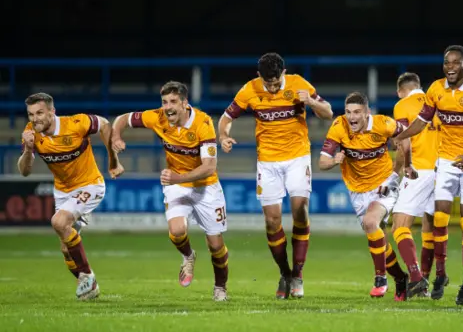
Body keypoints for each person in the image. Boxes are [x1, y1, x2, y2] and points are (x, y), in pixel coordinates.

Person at [218, 52, 333, 299]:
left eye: (275, 81)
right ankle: (285, 273)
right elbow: (227, 117)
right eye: (267, 82)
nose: (272, 87)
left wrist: (311, 102)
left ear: (284, 72)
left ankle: (299, 274)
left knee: (300, 208)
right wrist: (223, 136)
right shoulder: (249, 89)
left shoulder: (299, 84)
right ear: (259, 76)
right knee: (272, 221)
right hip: (267, 162)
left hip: (297, 157)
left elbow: (328, 113)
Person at [111, 81, 230, 302]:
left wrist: (178, 177)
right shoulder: (157, 117)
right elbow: (122, 119)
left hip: (206, 187)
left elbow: (209, 167)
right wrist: (117, 136)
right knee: (176, 231)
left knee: (216, 245)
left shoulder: (203, 123)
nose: (167, 107)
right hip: (176, 185)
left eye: (173, 102)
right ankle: (188, 256)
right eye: (164, 102)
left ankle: (220, 287)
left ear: (185, 103)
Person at [395, 45, 463, 305]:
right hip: (447, 160)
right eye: (446, 62)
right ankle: (440, 275)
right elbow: (422, 121)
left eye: (455, 63)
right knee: (439, 218)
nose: (449, 67)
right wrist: (401, 135)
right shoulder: (436, 89)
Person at [17, 92, 124, 300]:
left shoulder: (75, 123)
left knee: (58, 221)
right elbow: (24, 171)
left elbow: (103, 124)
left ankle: (87, 276)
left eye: (39, 113)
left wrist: (113, 160)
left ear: (52, 112)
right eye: (30, 114)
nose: (34, 118)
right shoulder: (30, 133)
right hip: (63, 191)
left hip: (90, 184)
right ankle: (88, 285)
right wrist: (28, 150)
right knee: (66, 250)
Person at [319, 91, 410, 301]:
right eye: (349, 112)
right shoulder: (338, 126)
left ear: (367, 113)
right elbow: (322, 162)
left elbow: (406, 138)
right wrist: (335, 160)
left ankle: (380, 279)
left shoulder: (383, 124)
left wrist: (397, 174)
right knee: (379, 242)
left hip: (383, 185)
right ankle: (400, 278)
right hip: (357, 191)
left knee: (371, 223)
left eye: (357, 112)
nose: (352, 117)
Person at [390, 72, 441, 298]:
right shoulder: (437, 103)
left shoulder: (403, 105)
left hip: (419, 170)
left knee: (399, 226)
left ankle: (416, 277)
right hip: (444, 171)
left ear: (401, 90)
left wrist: (400, 169)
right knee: (429, 229)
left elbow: (404, 142)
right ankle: (425, 287)